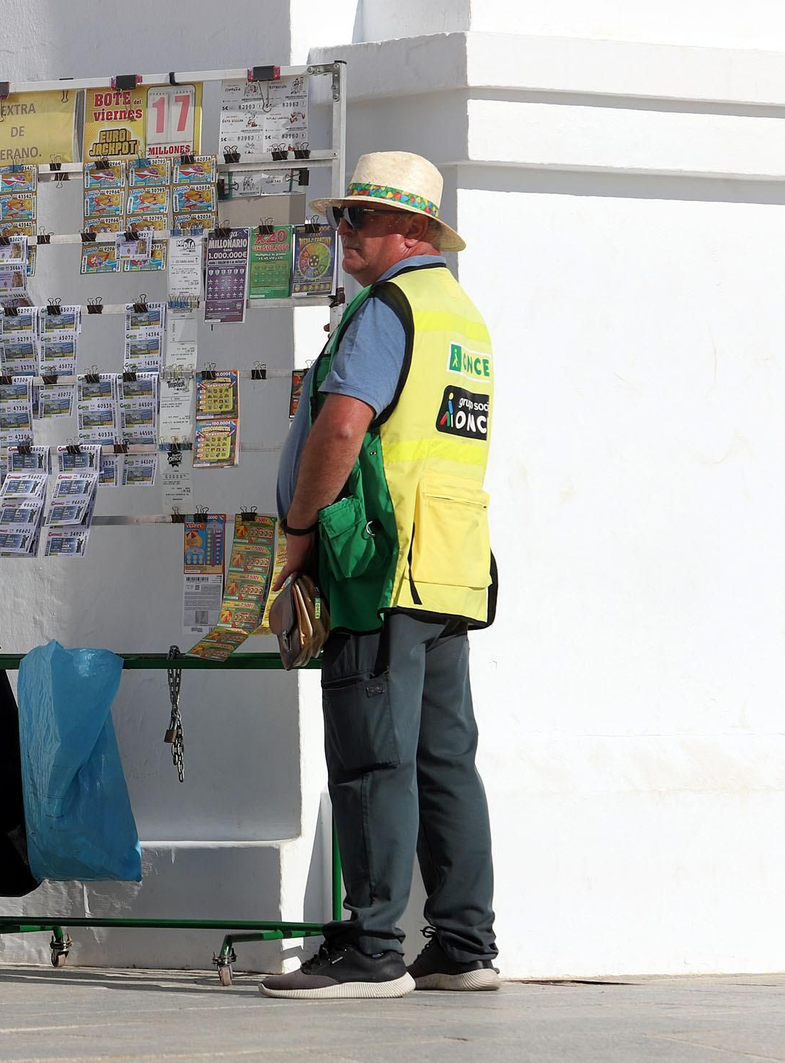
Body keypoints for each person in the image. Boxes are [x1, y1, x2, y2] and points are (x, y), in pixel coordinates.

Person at [260, 152, 499, 1000]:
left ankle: (370, 945)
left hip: (378, 564)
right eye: (341, 217)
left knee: (371, 757)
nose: (342, 233)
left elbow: (343, 429)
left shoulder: (385, 311)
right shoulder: (460, 314)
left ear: (410, 230)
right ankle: (464, 943)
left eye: (356, 218)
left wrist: (295, 534)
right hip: (451, 566)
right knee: (444, 757)